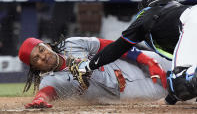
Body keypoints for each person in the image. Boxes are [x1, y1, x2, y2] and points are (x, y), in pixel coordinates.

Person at [81, 0, 197, 105]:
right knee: (184, 78)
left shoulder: (149, 14)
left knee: (180, 81)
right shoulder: (179, 13)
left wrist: (88, 66)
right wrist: (170, 98)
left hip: (192, 20)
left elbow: (118, 47)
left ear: (152, 2)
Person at [18, 36, 170, 108]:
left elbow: (113, 46)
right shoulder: (50, 80)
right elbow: (46, 92)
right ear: (35, 67)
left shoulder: (71, 44)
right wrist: (40, 99)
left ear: (46, 45)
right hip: (128, 90)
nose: (43, 56)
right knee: (180, 88)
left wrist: (146, 60)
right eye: (36, 58)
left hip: (130, 65)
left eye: (41, 49)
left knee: (185, 67)